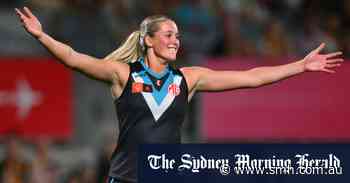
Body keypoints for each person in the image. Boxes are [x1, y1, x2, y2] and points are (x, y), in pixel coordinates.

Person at [15, 6, 343, 183]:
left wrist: (299, 66)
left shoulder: (189, 78)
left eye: (178, 35)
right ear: (148, 40)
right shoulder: (122, 74)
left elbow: (251, 77)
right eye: (169, 34)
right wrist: (42, 36)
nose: (176, 40)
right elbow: (73, 58)